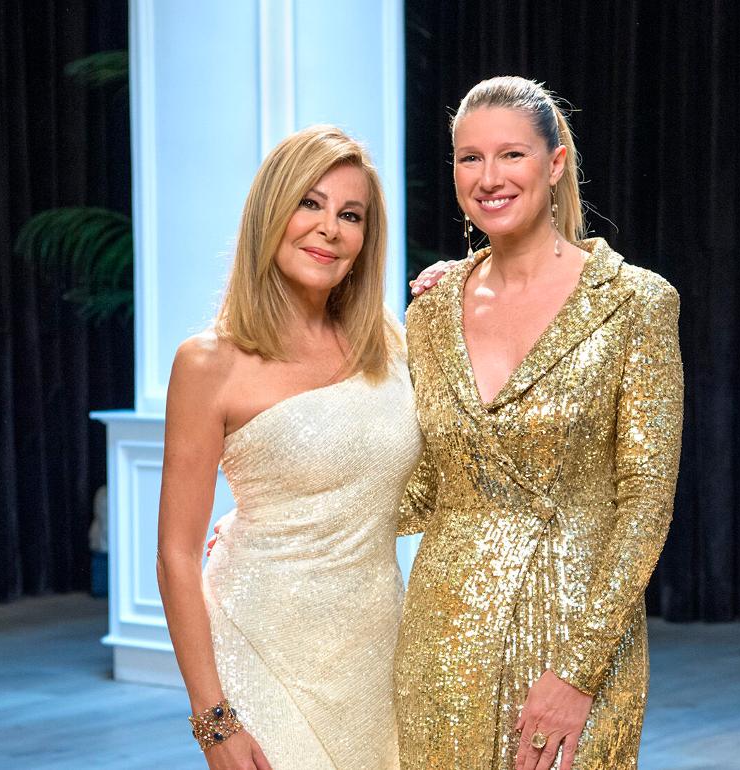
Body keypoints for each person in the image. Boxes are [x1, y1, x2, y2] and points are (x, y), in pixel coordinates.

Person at [394, 76, 685, 770]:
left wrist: (579, 672)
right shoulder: (430, 313)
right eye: (469, 158)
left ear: (554, 165)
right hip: (443, 642)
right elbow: (426, 484)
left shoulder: (634, 303)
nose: (489, 178)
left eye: (511, 155)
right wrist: (291, 516)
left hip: (578, 635)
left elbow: (645, 500)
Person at [156, 125, 420, 770]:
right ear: (270, 212)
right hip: (261, 651)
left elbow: (424, 477)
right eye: (310, 203)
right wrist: (214, 724)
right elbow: (175, 555)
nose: (330, 228)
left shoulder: (390, 345)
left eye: (351, 214)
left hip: (378, 653)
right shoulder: (208, 363)